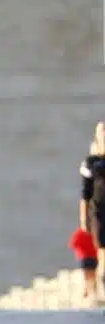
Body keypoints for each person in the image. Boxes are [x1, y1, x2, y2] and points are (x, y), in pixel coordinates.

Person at [79, 121, 105, 291]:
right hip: (99, 214)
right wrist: (84, 219)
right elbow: (85, 194)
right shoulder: (91, 163)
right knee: (103, 252)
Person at [68, 226, 98, 301]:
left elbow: (72, 244)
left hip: (84, 257)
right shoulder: (94, 232)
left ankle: (87, 292)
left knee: (86, 275)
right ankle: (93, 291)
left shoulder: (79, 233)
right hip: (94, 257)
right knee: (93, 275)